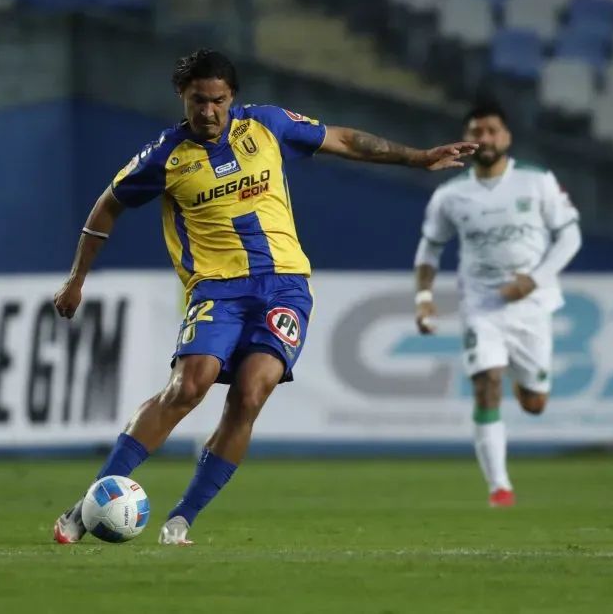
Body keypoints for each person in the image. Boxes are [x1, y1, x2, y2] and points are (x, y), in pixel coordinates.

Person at [51, 49, 477, 545]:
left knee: (251, 395)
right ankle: (90, 505)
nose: (208, 112)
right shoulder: (165, 157)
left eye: (217, 100)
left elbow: (341, 138)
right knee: (189, 386)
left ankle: (181, 518)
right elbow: (107, 207)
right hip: (216, 289)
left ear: (232, 97)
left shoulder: (268, 126)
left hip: (285, 286)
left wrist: (418, 157)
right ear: (181, 99)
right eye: (197, 101)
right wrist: (77, 278)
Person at [412, 100, 582, 507]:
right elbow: (429, 249)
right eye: (476, 131)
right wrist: (423, 299)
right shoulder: (451, 195)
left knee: (535, 403)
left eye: (491, 131)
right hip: (481, 305)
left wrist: (533, 280)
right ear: (467, 138)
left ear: (506, 136)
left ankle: (527, 384)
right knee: (486, 384)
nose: (484, 138)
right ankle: (500, 489)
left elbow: (570, 236)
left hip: (532, 304)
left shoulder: (537, 182)